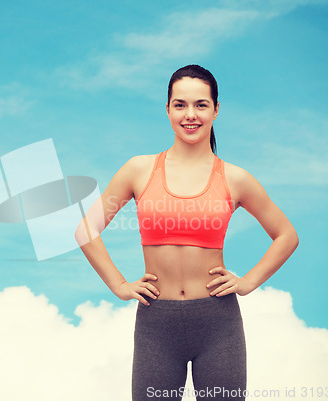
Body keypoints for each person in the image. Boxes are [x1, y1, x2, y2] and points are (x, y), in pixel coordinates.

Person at [74, 64, 299, 401]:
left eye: (201, 105)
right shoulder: (139, 170)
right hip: (156, 326)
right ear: (167, 109)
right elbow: (86, 228)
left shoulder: (235, 178)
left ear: (216, 110)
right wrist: (119, 285)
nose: (190, 115)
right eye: (180, 105)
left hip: (218, 325)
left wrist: (249, 282)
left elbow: (286, 235)